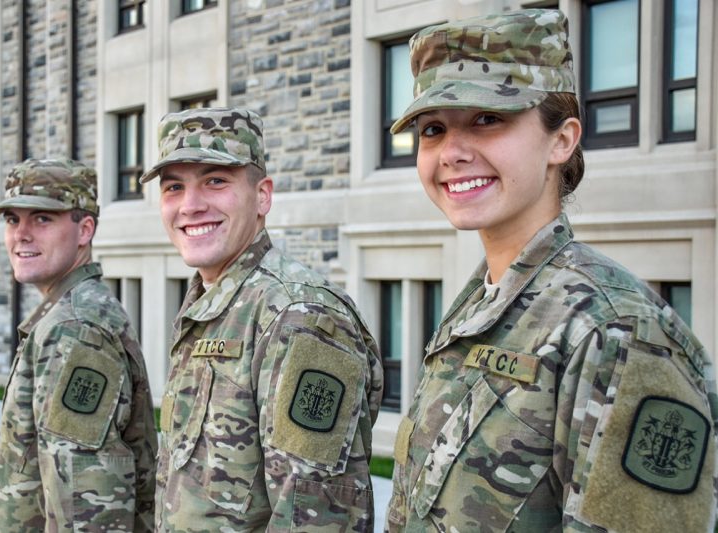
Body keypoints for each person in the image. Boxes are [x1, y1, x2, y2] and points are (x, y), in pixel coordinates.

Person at [385, 9, 717, 532]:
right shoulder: (482, 305)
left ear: (561, 140)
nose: (451, 152)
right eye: (433, 129)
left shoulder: (616, 332)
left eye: (487, 119)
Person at [141, 107, 383, 531]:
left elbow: (314, 518)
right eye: (174, 187)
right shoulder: (215, 303)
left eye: (215, 181)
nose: (190, 205)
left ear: (263, 196)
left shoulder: (298, 317)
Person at [0, 158, 158, 532]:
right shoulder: (66, 314)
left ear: (85, 230)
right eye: (12, 219)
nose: (21, 234)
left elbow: (87, 504)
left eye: (42, 219)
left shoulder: (76, 329)